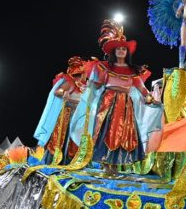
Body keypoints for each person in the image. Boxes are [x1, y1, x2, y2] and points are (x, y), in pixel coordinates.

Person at [70, 20, 163, 175]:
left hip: (126, 106)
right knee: (107, 132)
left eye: (124, 49)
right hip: (108, 103)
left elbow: (142, 89)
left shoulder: (133, 70)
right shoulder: (105, 67)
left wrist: (152, 99)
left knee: (123, 134)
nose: (121, 51)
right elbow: (97, 85)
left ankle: (114, 166)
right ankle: (106, 167)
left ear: (127, 52)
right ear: (114, 52)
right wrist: (91, 89)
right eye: (118, 49)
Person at [33, 56, 89, 165]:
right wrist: (64, 93)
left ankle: (74, 162)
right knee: (64, 138)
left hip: (79, 117)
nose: (87, 76)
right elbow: (57, 91)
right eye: (86, 73)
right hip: (68, 115)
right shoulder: (71, 83)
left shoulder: (84, 87)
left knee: (76, 140)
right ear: (82, 73)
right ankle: (61, 162)